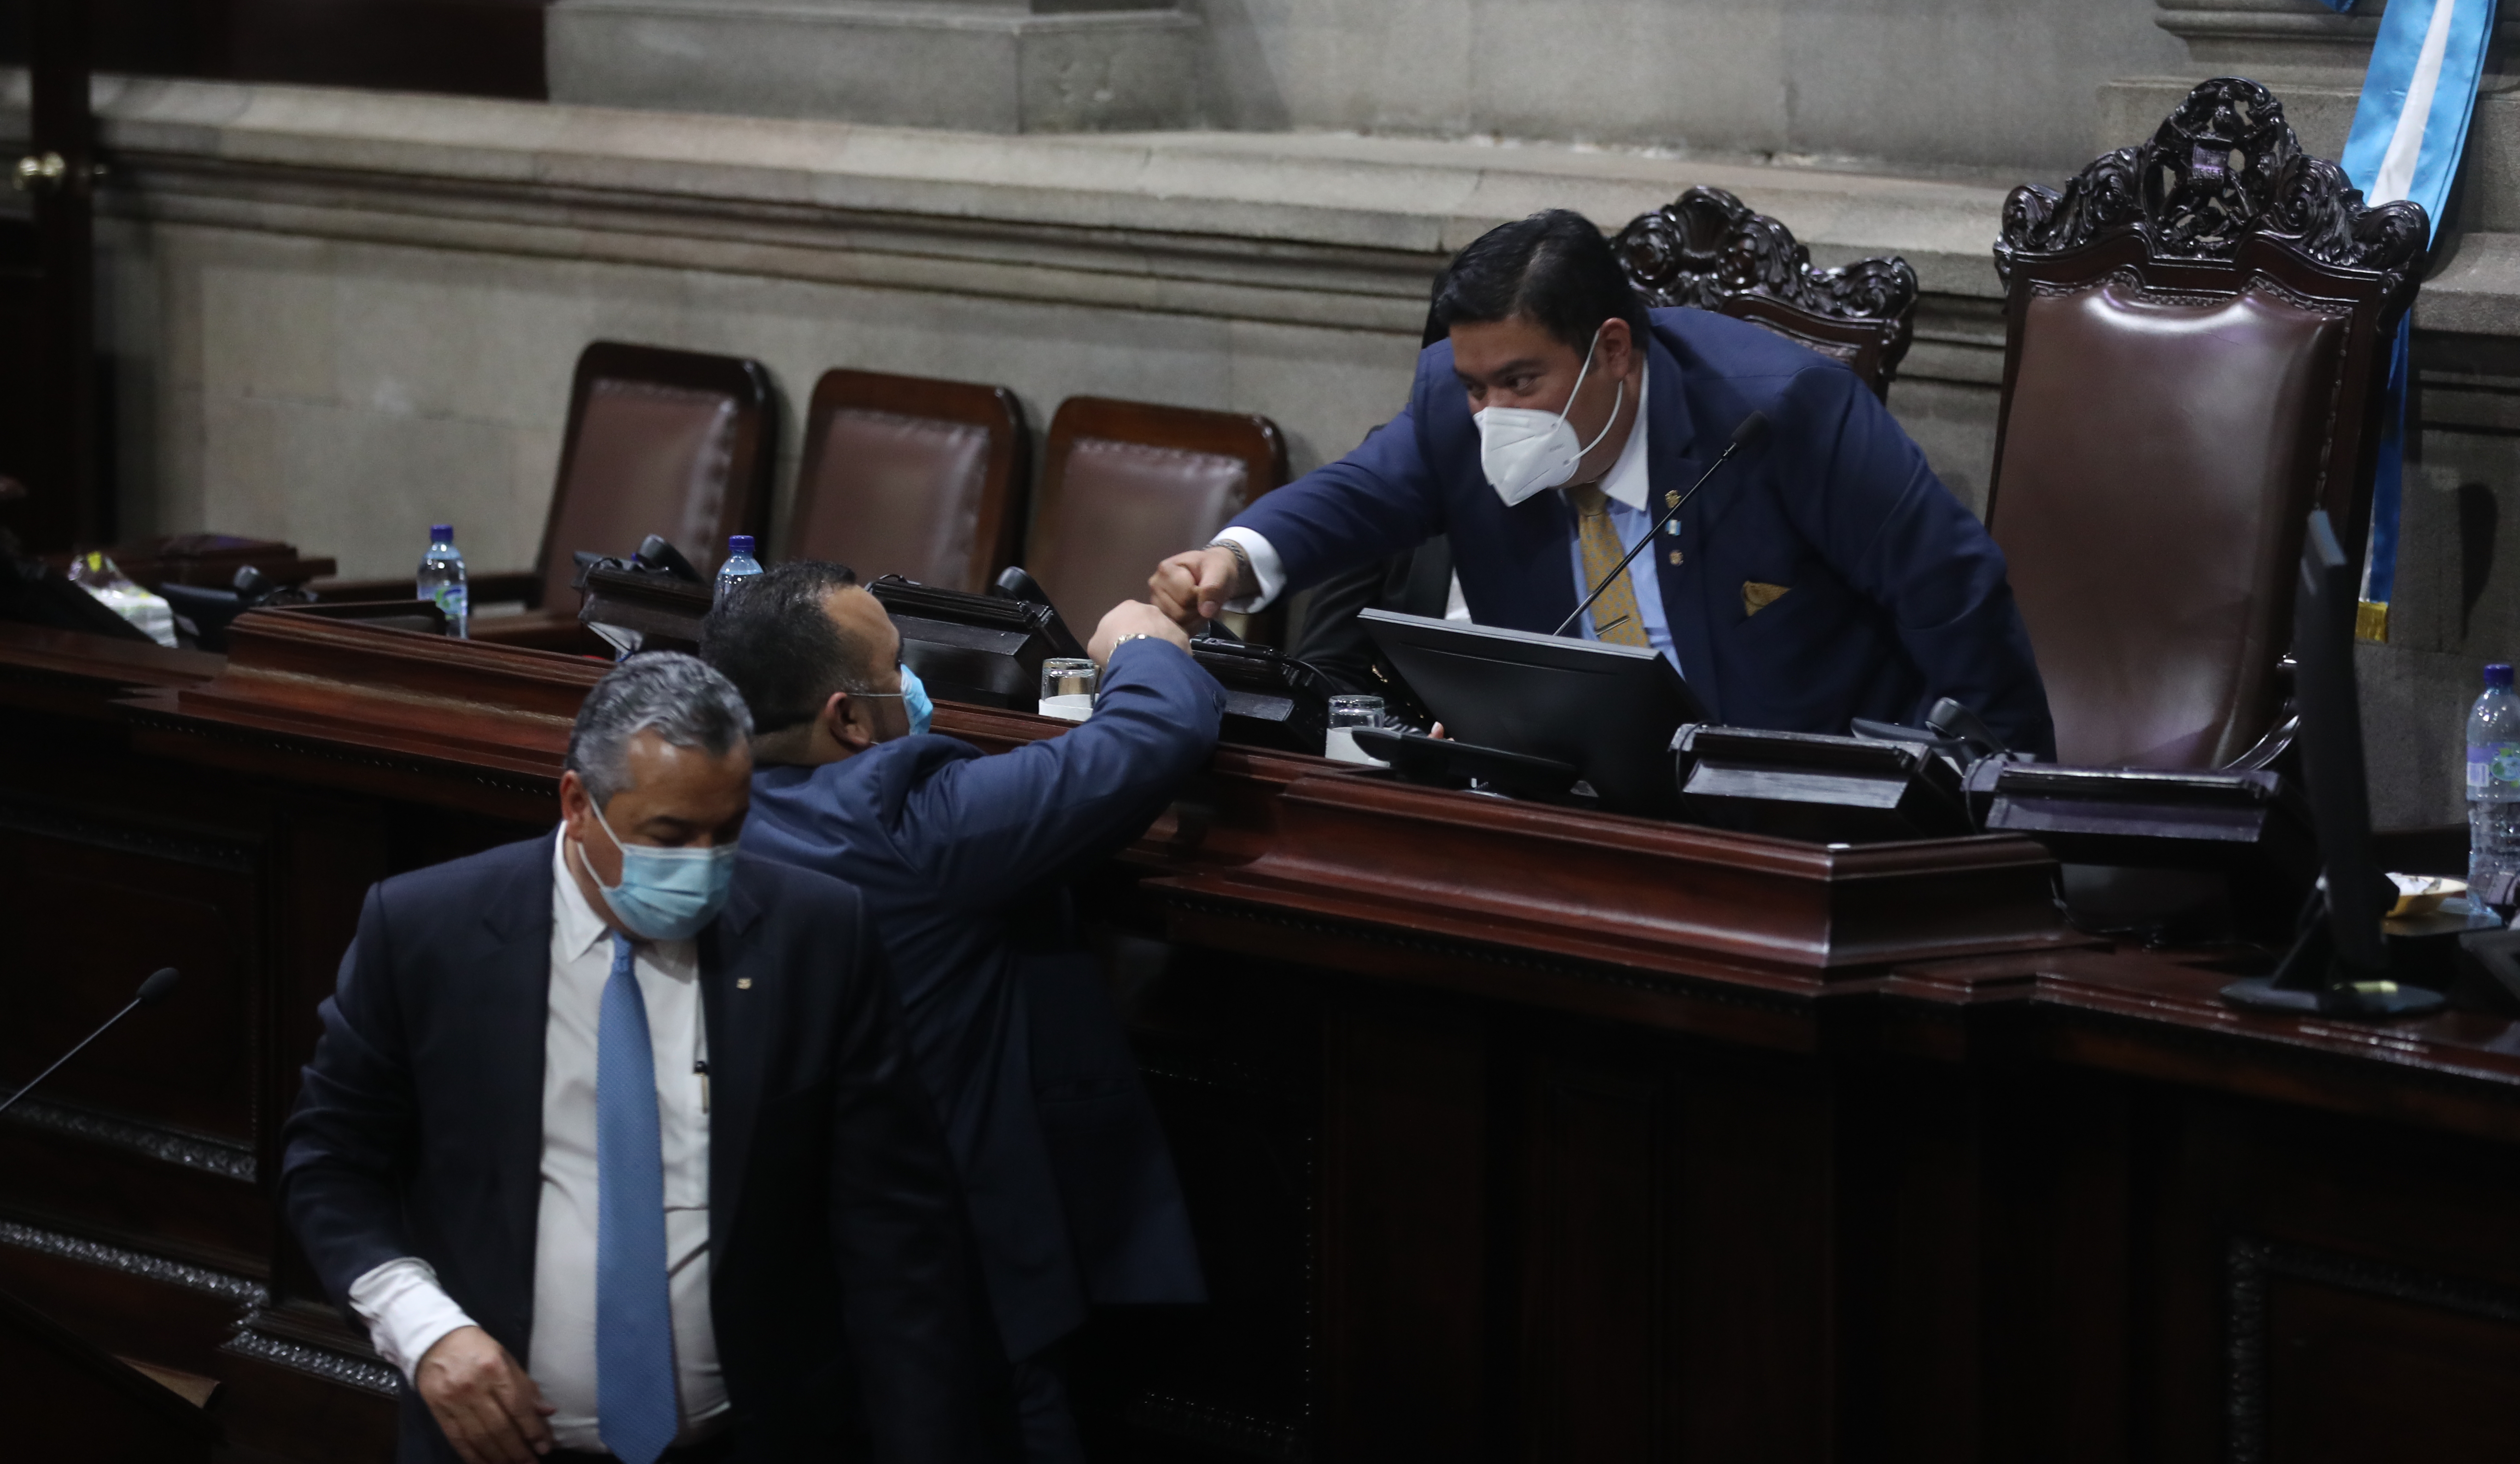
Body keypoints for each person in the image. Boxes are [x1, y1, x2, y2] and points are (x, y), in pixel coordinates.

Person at [280, 653, 991, 1464]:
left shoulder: (816, 936)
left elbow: (898, 1233)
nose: (703, 864)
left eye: (727, 832)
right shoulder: (427, 932)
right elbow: (329, 1163)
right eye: (669, 836)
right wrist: (424, 1330)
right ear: (578, 805)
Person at [1152, 208, 2055, 754]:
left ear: (1613, 351)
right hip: (1575, 789)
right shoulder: (1449, 405)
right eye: (1475, 385)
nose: (1489, 413)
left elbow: (1951, 585)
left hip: (1789, 803)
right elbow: (1361, 493)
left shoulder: (1780, 411)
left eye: (1520, 382)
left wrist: (1999, 813)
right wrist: (1233, 560)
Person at [699, 565, 1223, 1464]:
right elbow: (1154, 734)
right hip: (962, 1295)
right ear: (848, 719)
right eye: (895, 666)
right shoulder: (906, 820)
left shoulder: (702, 812)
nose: (913, 685)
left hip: (782, 1284)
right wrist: (1140, 643)